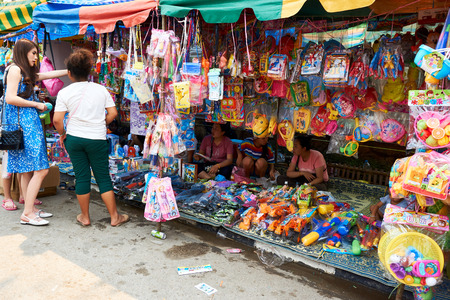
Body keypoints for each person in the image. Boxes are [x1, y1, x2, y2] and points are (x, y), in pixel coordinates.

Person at [53, 49, 129, 227]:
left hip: (75, 139)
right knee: (103, 177)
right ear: (89, 71)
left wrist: (63, 134)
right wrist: (101, 122)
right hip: (97, 139)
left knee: (81, 176)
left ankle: (85, 217)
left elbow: (57, 120)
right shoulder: (101, 89)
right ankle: (114, 217)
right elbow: (113, 113)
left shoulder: (65, 92)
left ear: (70, 73)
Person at [4, 39, 67, 226]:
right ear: (23, 53)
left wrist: (68, 70)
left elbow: (46, 75)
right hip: (25, 124)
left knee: (27, 170)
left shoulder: (26, 72)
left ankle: (30, 208)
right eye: (33, 53)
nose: (36, 57)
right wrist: (36, 104)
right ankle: (28, 213)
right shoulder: (15, 70)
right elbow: (10, 98)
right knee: (41, 168)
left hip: (28, 122)